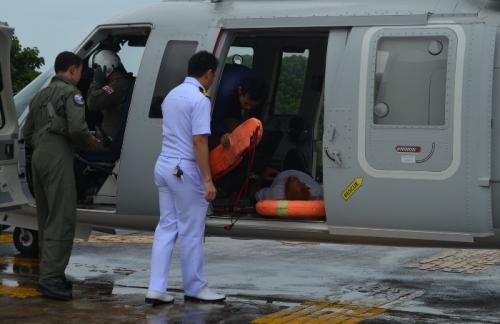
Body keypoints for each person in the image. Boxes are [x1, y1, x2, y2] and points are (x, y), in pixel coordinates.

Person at [146, 51, 225, 305]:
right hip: (184, 169)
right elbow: (199, 140)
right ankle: (195, 287)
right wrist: (208, 179)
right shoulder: (200, 100)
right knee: (192, 230)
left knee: (167, 227)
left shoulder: (172, 94)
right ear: (209, 73)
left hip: (164, 165)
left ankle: (156, 288)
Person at [22, 51, 98, 300]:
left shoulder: (40, 95)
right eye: (81, 70)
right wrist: (91, 143)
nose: (81, 75)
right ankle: (51, 278)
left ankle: (50, 272)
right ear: (73, 69)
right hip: (57, 157)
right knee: (62, 217)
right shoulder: (72, 94)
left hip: (39, 156)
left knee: (46, 217)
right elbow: (78, 130)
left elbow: (27, 130)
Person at [86, 49, 134, 152]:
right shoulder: (127, 82)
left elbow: (92, 103)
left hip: (111, 143)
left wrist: (96, 81)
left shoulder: (115, 87)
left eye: (96, 69)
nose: (95, 73)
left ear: (104, 67)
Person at [211, 63, 269, 147]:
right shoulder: (225, 93)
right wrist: (222, 133)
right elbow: (213, 118)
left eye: (252, 106)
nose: (248, 108)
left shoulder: (261, 90)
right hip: (223, 96)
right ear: (240, 91)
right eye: (246, 103)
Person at [255, 170, 323, 201]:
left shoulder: (275, 194)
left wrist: (259, 178)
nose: (304, 183)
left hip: (283, 174)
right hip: (301, 173)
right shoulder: (317, 191)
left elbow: (257, 195)